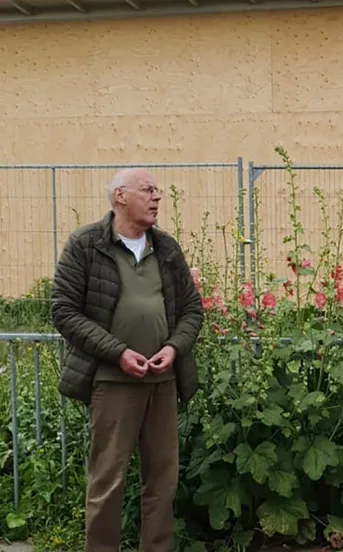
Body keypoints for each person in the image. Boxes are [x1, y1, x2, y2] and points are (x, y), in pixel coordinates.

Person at [51, 168, 204, 552]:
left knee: (163, 482)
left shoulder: (166, 248)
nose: (157, 197)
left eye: (158, 191)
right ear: (120, 196)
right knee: (106, 481)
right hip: (112, 383)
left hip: (163, 383)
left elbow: (191, 310)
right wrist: (117, 353)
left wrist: (173, 348)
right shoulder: (86, 244)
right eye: (147, 190)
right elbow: (64, 311)